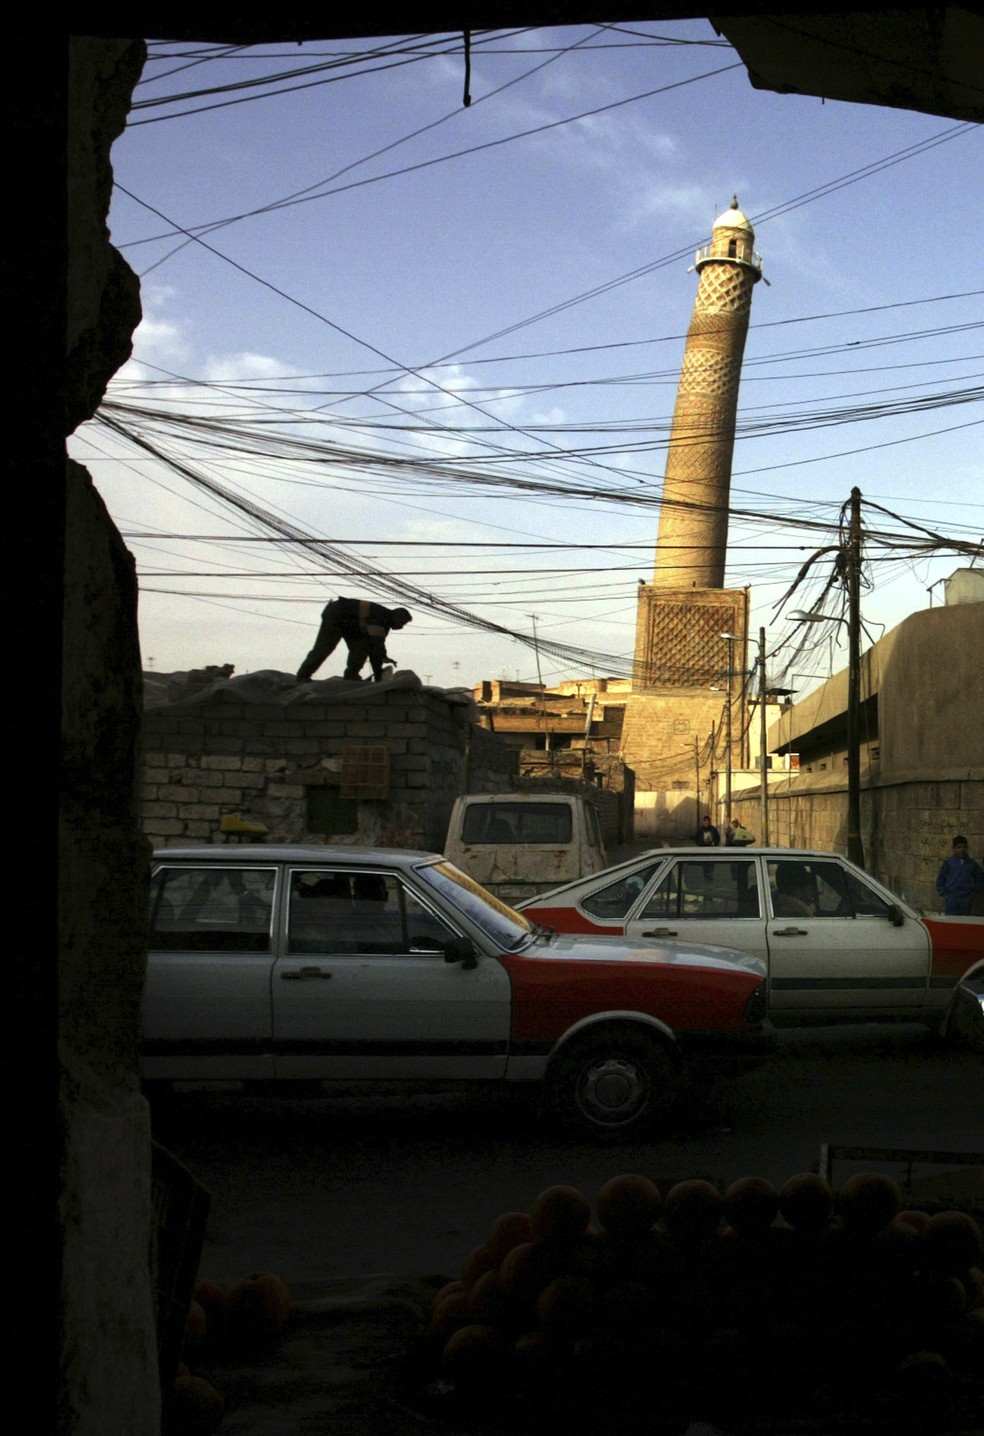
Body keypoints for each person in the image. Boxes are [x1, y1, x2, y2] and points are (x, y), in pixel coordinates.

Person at [296, 597, 412, 683]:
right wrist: (379, 675)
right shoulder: (381, 619)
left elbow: (374, 648)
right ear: (397, 617)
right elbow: (376, 647)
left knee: (361, 647)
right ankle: (303, 675)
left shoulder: (383, 621)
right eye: (402, 623)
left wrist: (379, 670)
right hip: (337, 615)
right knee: (325, 647)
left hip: (352, 624)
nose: (401, 627)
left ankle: (352, 675)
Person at [934, 835, 984, 916]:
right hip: (952, 897)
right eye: (959, 847)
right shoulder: (948, 863)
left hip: (966, 897)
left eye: (964, 847)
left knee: (964, 921)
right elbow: (940, 880)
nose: (962, 849)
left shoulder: (972, 863)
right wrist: (944, 893)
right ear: (954, 848)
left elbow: (980, 877)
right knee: (951, 921)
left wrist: (975, 889)